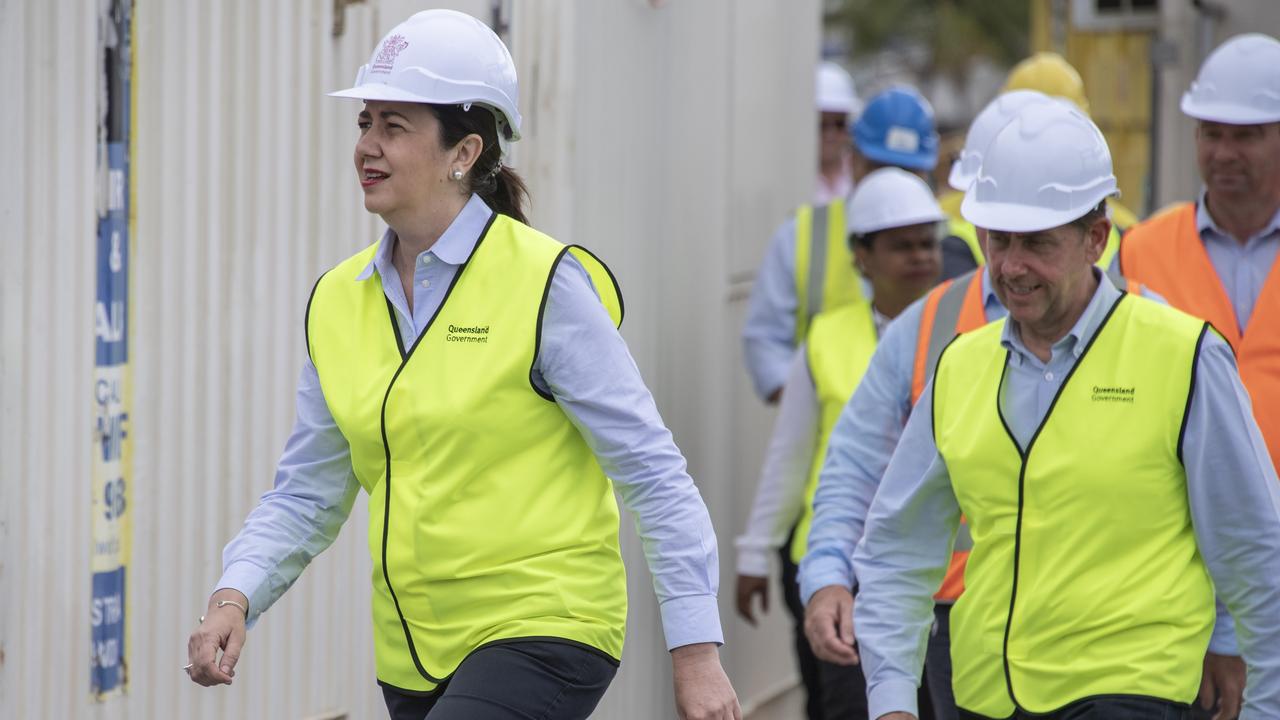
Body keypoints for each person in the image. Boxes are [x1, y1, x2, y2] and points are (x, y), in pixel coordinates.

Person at [183, 11, 741, 720]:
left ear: (464, 150)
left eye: (395, 125)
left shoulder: (546, 284)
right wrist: (234, 596)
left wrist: (695, 653)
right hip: (414, 652)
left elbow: (653, 473)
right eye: (365, 123)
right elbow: (308, 494)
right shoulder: (336, 301)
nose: (368, 146)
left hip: (546, 626)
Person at [851, 101, 1280, 719]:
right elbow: (896, 550)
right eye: (998, 241)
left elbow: (1255, 552)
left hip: (1133, 694)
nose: (1011, 266)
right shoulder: (961, 367)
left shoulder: (1184, 356)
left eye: (1037, 244)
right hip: (983, 699)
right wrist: (892, 702)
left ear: (1096, 240)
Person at [735, 168, 945, 719]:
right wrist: (757, 550)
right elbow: (790, 452)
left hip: (938, 568)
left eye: (928, 243)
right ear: (862, 256)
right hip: (841, 563)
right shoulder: (827, 338)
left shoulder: (968, 333)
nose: (921, 257)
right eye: (903, 246)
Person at [1120, 32, 1280, 475]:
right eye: (1212, 134)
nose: (1224, 153)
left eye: (1246, 137)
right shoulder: (1138, 251)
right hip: (1185, 522)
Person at [743, 85, 942, 404]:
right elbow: (766, 342)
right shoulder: (803, 233)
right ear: (855, 160)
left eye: (907, 172)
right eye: (881, 168)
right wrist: (806, 404)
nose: (892, 185)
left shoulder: (952, 239)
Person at [815, 61, 861, 204]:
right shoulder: (791, 176)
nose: (830, 134)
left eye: (839, 124)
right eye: (822, 125)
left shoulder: (861, 173)